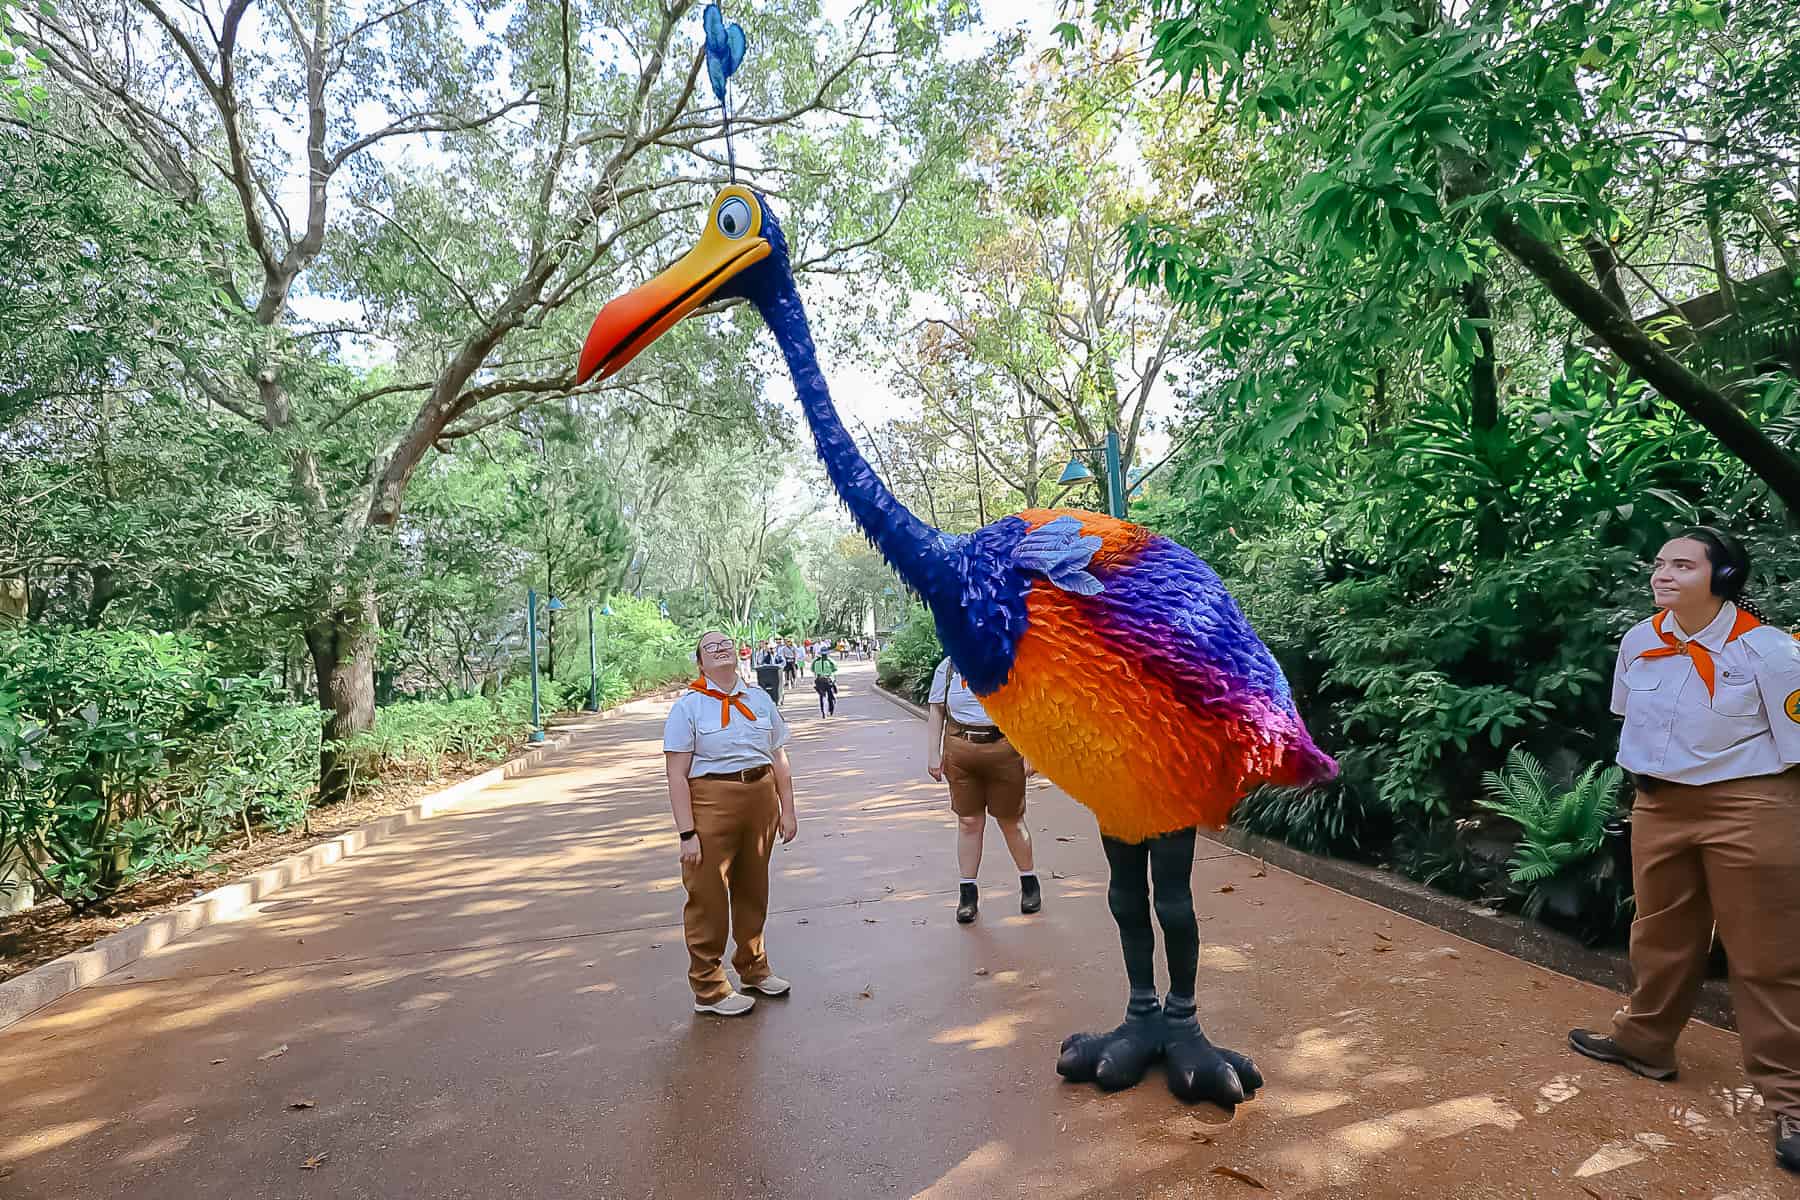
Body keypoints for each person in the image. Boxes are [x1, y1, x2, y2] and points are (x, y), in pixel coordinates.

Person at [1568, 527, 1800, 1173]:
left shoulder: (1771, 653)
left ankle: (1793, 1099)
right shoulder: (1640, 641)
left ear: (1721, 579)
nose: (1662, 575)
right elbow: (1635, 721)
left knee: (1768, 952)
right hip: (1660, 803)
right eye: (1660, 563)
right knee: (1661, 930)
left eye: (1682, 565)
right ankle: (1645, 1043)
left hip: (1750, 803)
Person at [663, 631, 799, 1017]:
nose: (721, 649)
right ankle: (709, 988)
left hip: (760, 799)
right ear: (700, 662)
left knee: (753, 889)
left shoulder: (759, 699)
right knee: (707, 896)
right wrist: (687, 833)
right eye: (711, 647)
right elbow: (676, 775)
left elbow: (779, 758)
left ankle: (753, 968)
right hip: (711, 802)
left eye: (726, 644)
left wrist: (787, 809)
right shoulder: (687, 708)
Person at [926, 656, 1040, 923]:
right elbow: (936, 711)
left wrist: (1033, 751)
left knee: (1011, 820)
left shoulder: (1009, 661)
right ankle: (968, 893)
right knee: (968, 822)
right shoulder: (949, 667)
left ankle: (1029, 882)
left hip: (1005, 748)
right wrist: (933, 752)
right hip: (961, 750)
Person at [811, 645, 839, 717]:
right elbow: (835, 668)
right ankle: (828, 710)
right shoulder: (829, 660)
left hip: (822, 680)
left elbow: (812, 669)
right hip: (825, 680)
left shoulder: (816, 661)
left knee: (824, 696)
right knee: (827, 696)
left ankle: (825, 711)